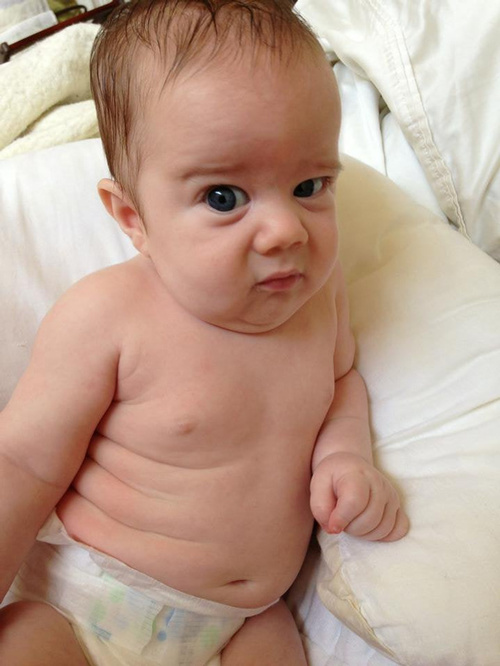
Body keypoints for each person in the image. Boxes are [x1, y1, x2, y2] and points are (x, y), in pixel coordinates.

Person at [0, 1, 409, 664]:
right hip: (83, 600)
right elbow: (21, 462)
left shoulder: (319, 298)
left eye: (310, 185)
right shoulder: (108, 315)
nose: (285, 231)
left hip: (241, 619)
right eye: (224, 198)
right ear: (132, 218)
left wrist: (345, 457)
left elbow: (340, 385)